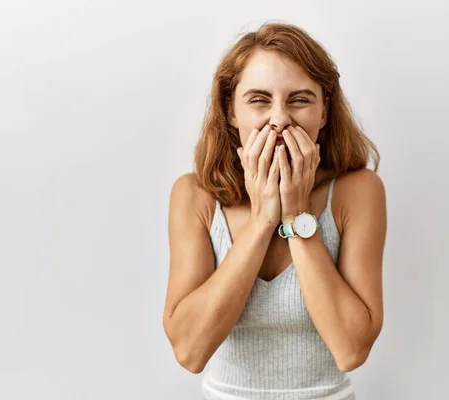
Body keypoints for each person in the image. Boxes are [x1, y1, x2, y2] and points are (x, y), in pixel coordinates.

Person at [163, 21, 387, 400]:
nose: (280, 119)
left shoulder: (357, 192)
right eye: (259, 100)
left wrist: (295, 215)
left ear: (324, 111)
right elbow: (189, 351)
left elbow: (351, 349)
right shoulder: (194, 196)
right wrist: (264, 218)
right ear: (231, 111)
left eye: (299, 99)